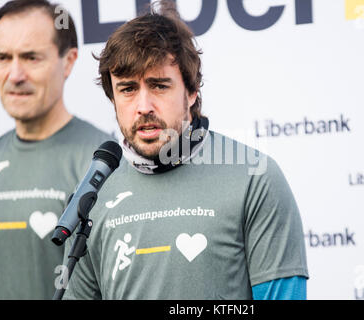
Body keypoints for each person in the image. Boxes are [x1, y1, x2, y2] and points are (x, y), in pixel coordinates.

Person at [63, 0, 309, 300]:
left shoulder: (256, 177)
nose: (143, 107)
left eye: (159, 86)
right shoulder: (93, 192)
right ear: (112, 98)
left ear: (192, 91)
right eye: (127, 89)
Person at [0, 0, 112, 299]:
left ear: (68, 61)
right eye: (3, 57)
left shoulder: (101, 162)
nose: (15, 75)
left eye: (31, 58)